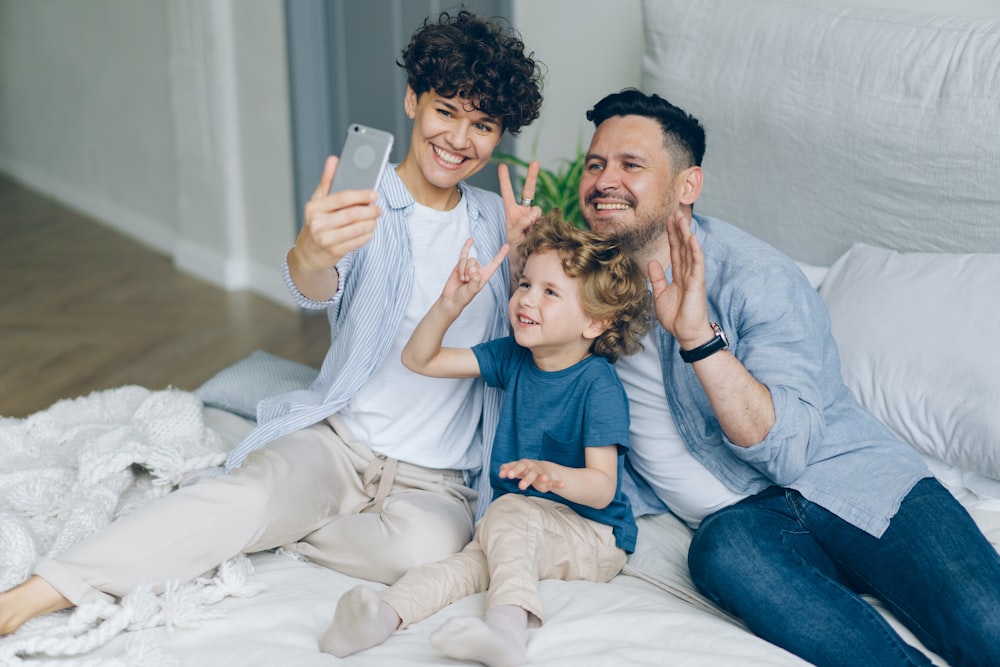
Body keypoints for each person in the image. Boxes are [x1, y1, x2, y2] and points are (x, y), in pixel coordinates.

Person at [0, 10, 543, 636]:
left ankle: (273, 528)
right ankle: (34, 594)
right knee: (246, 498)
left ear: (500, 134)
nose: (459, 138)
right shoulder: (360, 208)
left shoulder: (496, 220)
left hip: (438, 477)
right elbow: (313, 285)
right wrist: (313, 251)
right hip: (340, 443)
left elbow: (534, 339)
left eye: (482, 125)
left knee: (425, 553)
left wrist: (526, 257)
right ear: (413, 100)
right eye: (445, 110)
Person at [574, 87, 1000, 667]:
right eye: (595, 163)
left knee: (989, 627)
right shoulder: (576, 281)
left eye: (631, 164)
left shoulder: (757, 277)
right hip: (747, 527)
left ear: (686, 186)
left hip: (854, 482)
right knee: (721, 551)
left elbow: (790, 455)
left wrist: (697, 339)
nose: (604, 180)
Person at [320, 212, 651, 667]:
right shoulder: (514, 357)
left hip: (594, 535)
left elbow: (602, 487)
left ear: (595, 324)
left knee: (508, 511)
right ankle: (381, 617)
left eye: (550, 292)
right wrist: (449, 306)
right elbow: (421, 360)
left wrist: (551, 475)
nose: (526, 299)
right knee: (463, 566)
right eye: (526, 284)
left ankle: (508, 633)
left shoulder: (598, 385)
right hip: (520, 525)